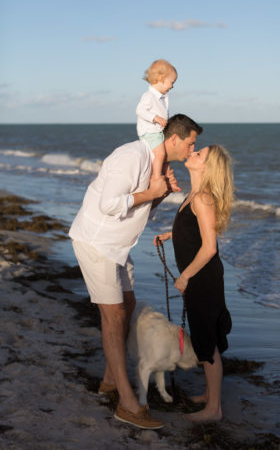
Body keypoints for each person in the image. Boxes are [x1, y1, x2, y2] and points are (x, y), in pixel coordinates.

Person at [69, 114, 203, 429]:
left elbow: (138, 209)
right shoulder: (131, 156)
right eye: (190, 142)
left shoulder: (156, 164)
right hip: (96, 242)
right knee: (114, 315)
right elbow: (109, 205)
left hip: (119, 247)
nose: (192, 148)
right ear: (174, 139)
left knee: (127, 307)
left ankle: (109, 381)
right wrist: (152, 191)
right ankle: (127, 403)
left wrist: (161, 194)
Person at [154, 144, 234, 423]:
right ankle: (209, 397)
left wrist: (185, 276)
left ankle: (214, 410)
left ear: (207, 167)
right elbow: (195, 232)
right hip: (198, 277)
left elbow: (209, 247)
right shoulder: (194, 196)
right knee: (203, 340)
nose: (194, 153)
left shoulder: (203, 198)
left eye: (200, 154)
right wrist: (170, 234)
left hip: (204, 279)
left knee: (206, 343)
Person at [136, 59, 179, 188]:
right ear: (161, 78)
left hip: (158, 132)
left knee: (166, 156)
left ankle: (168, 178)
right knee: (160, 154)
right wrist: (154, 117)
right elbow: (140, 110)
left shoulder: (161, 97)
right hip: (150, 132)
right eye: (171, 82)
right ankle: (156, 178)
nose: (172, 86)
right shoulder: (149, 96)